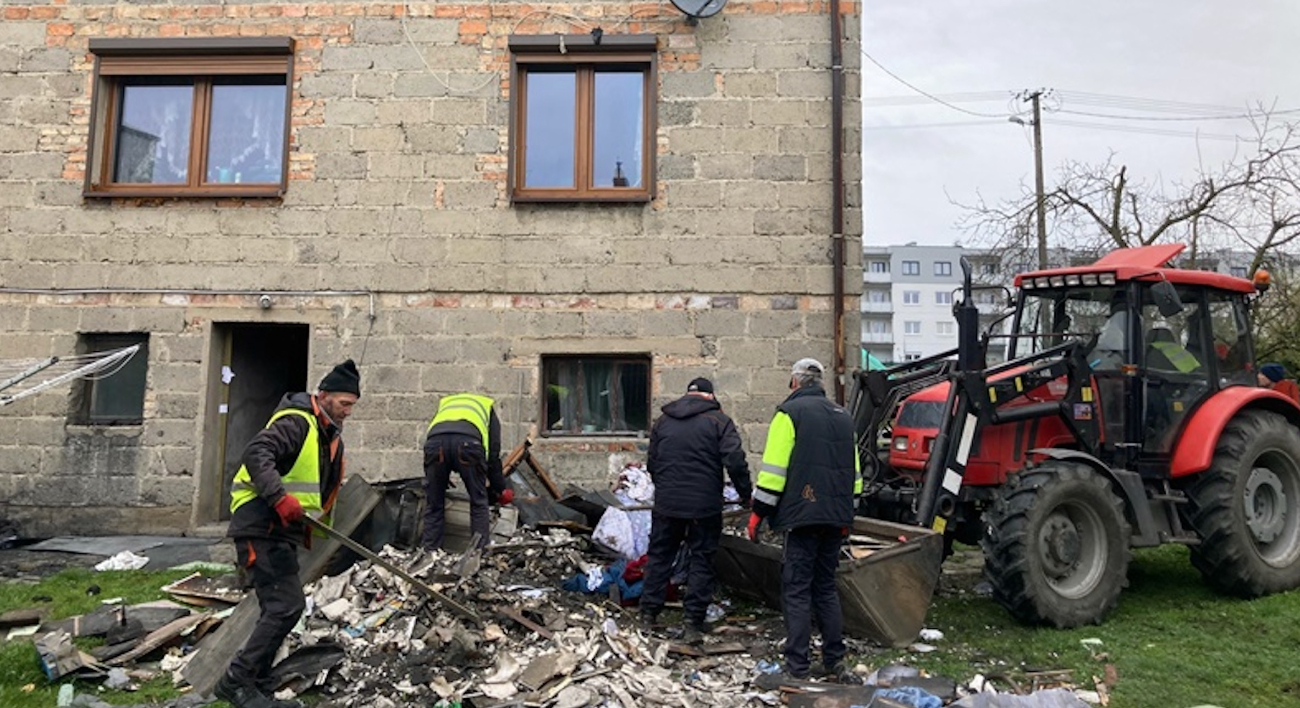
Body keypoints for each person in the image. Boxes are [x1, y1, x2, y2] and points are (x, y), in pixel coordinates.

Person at [215, 360, 361, 708]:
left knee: (278, 606)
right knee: (286, 606)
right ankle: (236, 682)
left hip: (280, 529)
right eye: (344, 404)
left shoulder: (324, 434)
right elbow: (256, 453)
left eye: (352, 405)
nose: (348, 412)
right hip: (261, 523)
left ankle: (257, 683)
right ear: (322, 396)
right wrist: (279, 497)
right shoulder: (297, 422)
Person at [749, 358, 862, 682]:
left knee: (797, 589)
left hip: (801, 516)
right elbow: (854, 476)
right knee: (825, 587)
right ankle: (834, 660)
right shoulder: (844, 418)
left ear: (795, 382)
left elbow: (773, 473)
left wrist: (759, 514)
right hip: (835, 518)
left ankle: (797, 665)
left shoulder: (789, 414)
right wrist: (846, 512)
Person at [639, 377, 753, 642]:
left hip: (667, 504)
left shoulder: (663, 421)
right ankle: (692, 621)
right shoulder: (718, 421)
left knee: (660, 557)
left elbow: (653, 463)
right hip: (704, 506)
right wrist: (746, 494)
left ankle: (648, 614)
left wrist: (665, 488)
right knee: (701, 560)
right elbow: (735, 460)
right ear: (710, 397)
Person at [423, 392, 513, 550]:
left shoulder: (446, 404)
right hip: (468, 444)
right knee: (478, 502)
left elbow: (442, 439)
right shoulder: (487, 407)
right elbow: (493, 455)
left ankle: (429, 553)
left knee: (434, 503)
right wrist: (499, 488)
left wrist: (440, 474)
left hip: (435, 445)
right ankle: (479, 554)